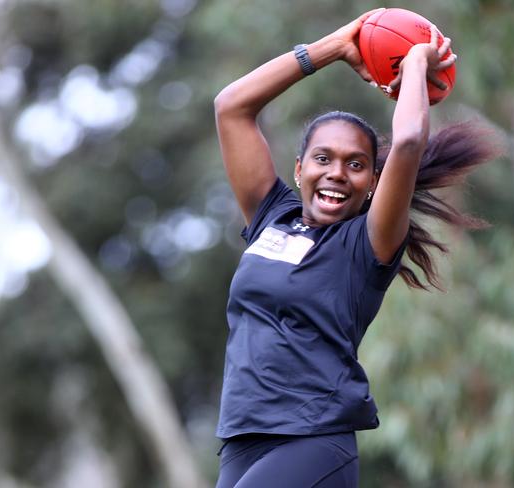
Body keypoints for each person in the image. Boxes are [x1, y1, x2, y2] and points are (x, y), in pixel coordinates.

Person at [213, 9, 499, 488]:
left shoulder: (367, 243)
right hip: (242, 437)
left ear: (372, 183)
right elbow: (230, 107)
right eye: (323, 159)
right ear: (300, 167)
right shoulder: (271, 216)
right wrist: (336, 46)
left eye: (356, 164)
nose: (337, 173)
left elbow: (407, 140)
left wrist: (412, 65)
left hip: (312, 440)